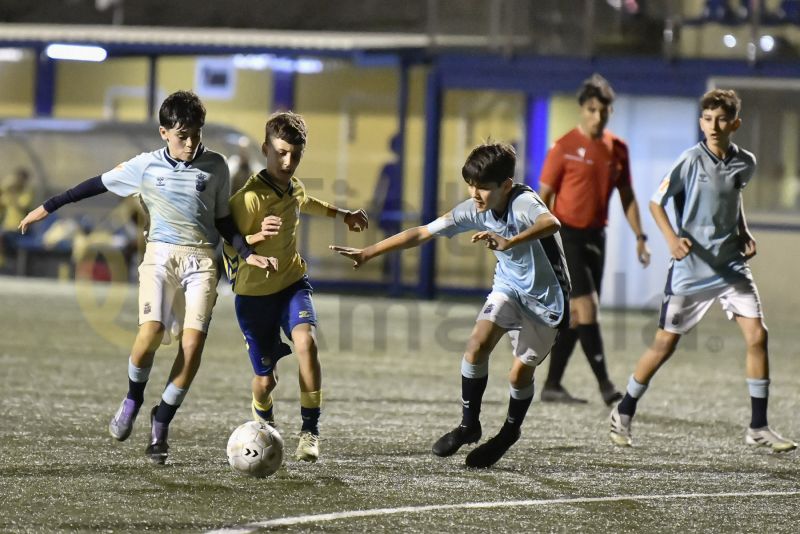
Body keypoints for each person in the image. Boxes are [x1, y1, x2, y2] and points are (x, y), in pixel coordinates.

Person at [18, 90, 278, 464]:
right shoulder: (146, 166)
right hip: (160, 258)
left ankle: (162, 421)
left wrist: (248, 253)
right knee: (151, 333)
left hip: (203, 262)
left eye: (196, 134)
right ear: (164, 133)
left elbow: (223, 220)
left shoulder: (217, 166)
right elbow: (95, 184)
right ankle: (133, 398)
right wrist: (48, 206)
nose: (191, 143)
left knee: (192, 349)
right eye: (182, 135)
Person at [331, 142, 570, 468]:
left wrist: (510, 241)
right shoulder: (474, 208)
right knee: (475, 346)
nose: (474, 193)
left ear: (505, 186)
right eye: (470, 184)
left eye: (483, 187)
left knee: (518, 376)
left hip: (547, 300)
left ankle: (509, 432)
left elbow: (551, 223)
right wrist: (368, 252)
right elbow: (422, 232)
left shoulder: (523, 202)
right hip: (509, 288)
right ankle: (469, 425)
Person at [609, 89, 796, 452]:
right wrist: (671, 240)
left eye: (722, 119)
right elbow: (656, 202)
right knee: (664, 344)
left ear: (735, 124)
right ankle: (624, 410)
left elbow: (733, 199)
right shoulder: (690, 160)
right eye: (708, 119)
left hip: (730, 266)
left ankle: (758, 426)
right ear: (701, 122)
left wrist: (743, 231)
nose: (714, 126)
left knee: (758, 336)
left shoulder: (745, 163)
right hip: (691, 268)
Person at [223, 111, 368, 463]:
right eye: (281, 153)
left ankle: (310, 431)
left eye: (296, 154)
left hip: (291, 283)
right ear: (265, 150)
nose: (288, 162)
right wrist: (256, 238)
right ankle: (263, 415)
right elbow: (227, 243)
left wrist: (344, 215)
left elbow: (306, 201)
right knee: (266, 381)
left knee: (307, 343)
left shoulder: (293, 186)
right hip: (253, 297)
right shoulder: (248, 198)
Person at [538, 73, 651, 406]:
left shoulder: (618, 149)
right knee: (587, 308)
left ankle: (552, 385)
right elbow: (544, 197)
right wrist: (541, 240)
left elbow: (627, 196)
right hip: (566, 235)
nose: (597, 116)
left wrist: (640, 236)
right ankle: (606, 386)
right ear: (582, 110)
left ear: (610, 111)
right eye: (591, 110)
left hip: (596, 237)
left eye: (603, 111)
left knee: (577, 317)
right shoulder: (563, 147)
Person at [0, 167, 35, 269]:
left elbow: (23, 205)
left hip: (20, 227)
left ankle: (1, 262)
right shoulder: (9, 192)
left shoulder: (27, 192)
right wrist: (6, 186)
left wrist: (12, 194)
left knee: (1, 236)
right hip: (7, 226)